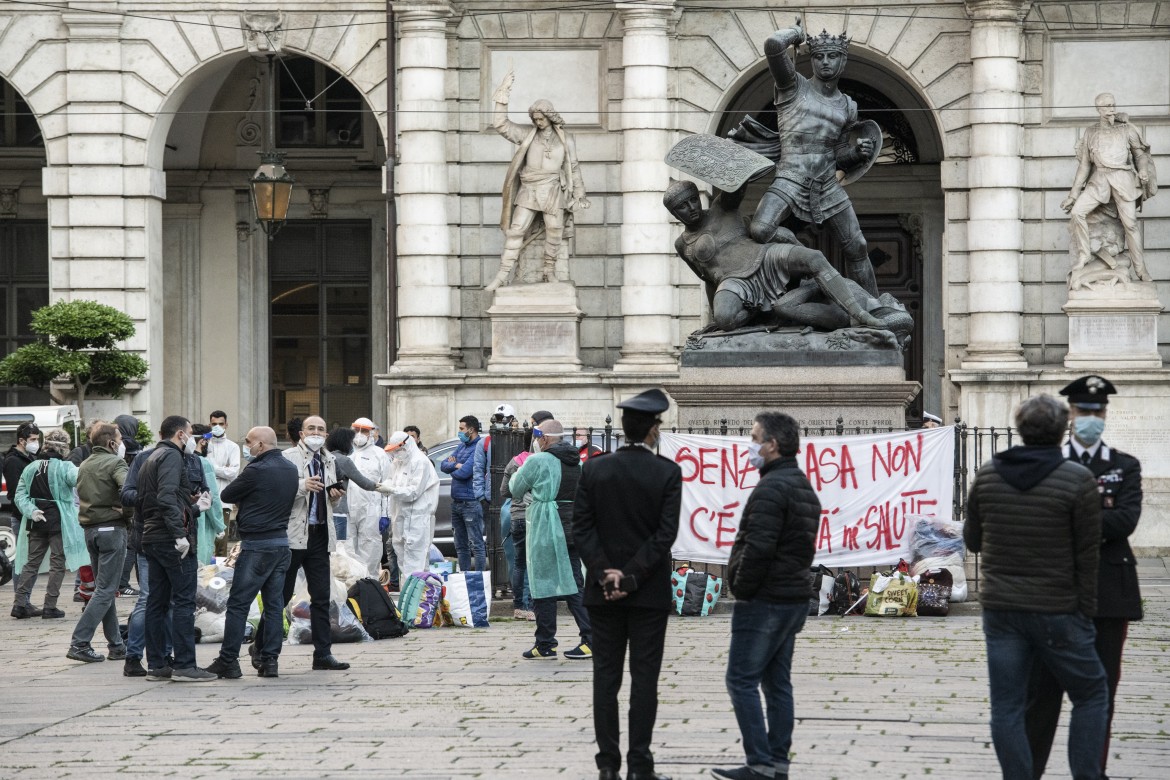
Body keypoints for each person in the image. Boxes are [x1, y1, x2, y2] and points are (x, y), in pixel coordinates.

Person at [964, 394, 1108, 780]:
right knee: (1091, 694)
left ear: (1019, 429)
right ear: (1064, 430)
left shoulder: (988, 474)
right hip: (1058, 608)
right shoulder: (1078, 480)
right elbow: (1087, 555)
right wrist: (1087, 612)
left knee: (1007, 706)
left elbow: (973, 540)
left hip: (1001, 609)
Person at [1027, 376, 1144, 779]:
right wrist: (1094, 519)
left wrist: (1071, 519)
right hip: (1055, 591)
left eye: (1097, 411)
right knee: (1042, 693)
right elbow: (1042, 520)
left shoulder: (1124, 465)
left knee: (1100, 694)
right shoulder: (1051, 463)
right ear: (1070, 416)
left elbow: (1125, 521)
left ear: (1105, 415)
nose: (1091, 418)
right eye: (1083, 411)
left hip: (1109, 591)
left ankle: (1092, 771)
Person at [573, 389, 682, 780]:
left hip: (602, 593)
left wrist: (605, 573)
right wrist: (632, 576)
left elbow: (582, 529)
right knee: (644, 679)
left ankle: (607, 766)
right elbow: (665, 534)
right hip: (648, 593)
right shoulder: (668, 472)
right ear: (653, 429)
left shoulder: (594, 470)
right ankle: (640, 765)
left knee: (605, 679)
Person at [729, 21, 879, 297]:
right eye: (819, 56)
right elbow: (773, 46)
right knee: (760, 229)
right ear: (811, 60)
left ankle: (876, 311)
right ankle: (805, 256)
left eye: (832, 56)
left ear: (843, 61)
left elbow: (838, 155)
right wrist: (796, 34)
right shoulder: (792, 86)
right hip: (790, 176)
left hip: (826, 183)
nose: (825, 62)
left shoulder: (848, 106)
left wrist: (857, 153)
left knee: (857, 246)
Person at [711, 412, 819, 780]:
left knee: (740, 679)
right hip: (792, 597)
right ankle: (777, 763)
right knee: (777, 683)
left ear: (772, 445)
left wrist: (740, 584)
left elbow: (759, 547)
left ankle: (759, 762)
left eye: (755, 437)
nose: (750, 444)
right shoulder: (801, 484)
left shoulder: (773, 488)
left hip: (766, 599)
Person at [663, 180, 884, 332]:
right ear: (674, 213)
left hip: (766, 257)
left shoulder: (722, 207)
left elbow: (738, 183)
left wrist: (734, 154)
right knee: (726, 319)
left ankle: (860, 314)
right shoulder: (682, 245)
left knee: (814, 258)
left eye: (693, 200)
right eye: (682, 206)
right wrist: (715, 317)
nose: (691, 207)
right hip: (734, 283)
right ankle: (762, 310)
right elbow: (709, 280)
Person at [257, 414, 349, 671]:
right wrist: (302, 485)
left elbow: (330, 502)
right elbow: (277, 493)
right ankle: (261, 646)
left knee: (321, 597)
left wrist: (334, 496)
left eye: (321, 429)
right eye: (311, 428)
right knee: (280, 596)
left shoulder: (328, 460)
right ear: (301, 433)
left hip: (320, 535)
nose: (316, 433)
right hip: (293, 535)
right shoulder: (287, 459)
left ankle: (322, 654)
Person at [204, 426, 298, 679]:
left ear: (261, 445)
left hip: (257, 545)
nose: (246, 446)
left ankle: (228, 661)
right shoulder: (291, 468)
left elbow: (227, 494)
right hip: (281, 544)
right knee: (274, 605)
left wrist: (246, 502)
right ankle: (270, 661)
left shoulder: (256, 470)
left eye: (249, 442)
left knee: (238, 605)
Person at [486, 68, 590, 291]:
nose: (538, 121)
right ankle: (502, 276)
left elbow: (573, 166)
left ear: (550, 116)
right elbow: (501, 125)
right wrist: (502, 95)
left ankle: (549, 271)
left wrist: (580, 193)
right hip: (529, 188)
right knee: (516, 230)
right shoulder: (526, 134)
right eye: (535, 118)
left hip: (553, 189)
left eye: (541, 118)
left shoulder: (566, 140)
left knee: (555, 230)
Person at [137, 416, 216, 681]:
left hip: (153, 537)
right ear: (181, 434)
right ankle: (184, 665)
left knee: (156, 602)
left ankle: (158, 665)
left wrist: (193, 508)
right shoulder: (171, 457)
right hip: (171, 541)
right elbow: (165, 497)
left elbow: (157, 500)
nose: (194, 439)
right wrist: (180, 534)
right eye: (192, 434)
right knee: (183, 601)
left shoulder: (151, 458)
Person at [509, 419, 592, 661]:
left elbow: (515, 488)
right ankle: (589, 637)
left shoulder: (538, 460)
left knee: (542, 582)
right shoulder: (578, 462)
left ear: (543, 439)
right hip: (572, 525)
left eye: (537, 437)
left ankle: (545, 642)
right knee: (575, 580)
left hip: (546, 525)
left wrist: (519, 471)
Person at [1063, 94, 1156, 283]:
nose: (1111, 109)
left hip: (1123, 179)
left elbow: (1140, 155)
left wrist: (1144, 170)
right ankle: (1084, 255)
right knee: (1077, 213)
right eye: (1106, 106)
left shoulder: (1126, 129)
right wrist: (1073, 195)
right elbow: (1084, 166)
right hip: (1100, 180)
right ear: (1098, 109)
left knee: (1130, 224)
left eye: (1113, 105)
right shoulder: (1090, 132)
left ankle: (1141, 270)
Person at [66, 421, 130, 664]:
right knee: (105, 590)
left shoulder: (84, 464)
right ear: (111, 443)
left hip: (91, 530)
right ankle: (79, 642)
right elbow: (128, 491)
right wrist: (127, 512)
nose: (122, 444)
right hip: (112, 529)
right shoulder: (115, 462)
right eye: (120, 439)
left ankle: (116, 645)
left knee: (105, 588)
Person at [11, 430, 86, 619]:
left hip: (36, 520)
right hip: (60, 521)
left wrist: (31, 511)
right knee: (57, 563)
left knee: (31, 562)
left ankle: (19, 604)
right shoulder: (65, 466)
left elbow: (20, 495)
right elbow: (79, 481)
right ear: (64, 447)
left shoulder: (31, 467)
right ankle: (50, 606)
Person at [120, 437, 169, 677]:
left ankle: (165, 655)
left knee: (173, 600)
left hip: (178, 541)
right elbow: (126, 494)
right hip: (148, 537)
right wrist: (152, 496)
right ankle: (133, 656)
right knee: (148, 598)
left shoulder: (191, 460)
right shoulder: (143, 458)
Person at [382, 431, 440, 579]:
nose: (396, 453)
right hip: (400, 516)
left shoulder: (420, 462)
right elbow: (390, 479)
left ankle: (414, 598)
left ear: (406, 445)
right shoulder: (398, 462)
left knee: (415, 560)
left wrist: (391, 489)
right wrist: (383, 486)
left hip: (417, 518)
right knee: (403, 557)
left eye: (398, 450)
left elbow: (413, 492)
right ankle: (412, 596)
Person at [347, 416, 392, 578]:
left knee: (371, 547)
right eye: (356, 430)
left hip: (371, 510)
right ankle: (351, 585)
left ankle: (369, 582)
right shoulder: (347, 452)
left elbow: (387, 486)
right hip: (348, 510)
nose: (359, 434)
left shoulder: (380, 455)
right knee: (348, 547)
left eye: (364, 431)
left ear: (372, 433)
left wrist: (385, 513)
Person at [441, 415, 487, 571]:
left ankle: (479, 579)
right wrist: (456, 465)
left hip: (471, 502)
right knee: (460, 545)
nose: (459, 432)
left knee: (477, 544)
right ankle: (465, 577)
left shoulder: (478, 447)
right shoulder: (462, 446)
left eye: (461, 429)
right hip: (457, 503)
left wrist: (453, 466)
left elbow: (464, 473)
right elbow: (443, 465)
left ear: (471, 430)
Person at [323, 427, 382, 543]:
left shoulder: (325, 457)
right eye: (351, 442)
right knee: (338, 551)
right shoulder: (344, 461)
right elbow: (364, 483)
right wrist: (382, 487)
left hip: (322, 512)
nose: (352, 445)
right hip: (338, 512)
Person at [4, 422, 41, 599]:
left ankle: (24, 599)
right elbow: (15, 494)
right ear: (21, 440)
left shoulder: (32, 457)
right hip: (22, 517)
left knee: (30, 562)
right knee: (22, 562)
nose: (36, 443)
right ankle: (21, 600)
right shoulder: (13, 461)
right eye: (33, 439)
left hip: (32, 516)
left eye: (37, 439)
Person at [501, 443, 535, 621]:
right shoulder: (541, 461)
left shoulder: (514, 462)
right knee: (532, 563)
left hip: (516, 516)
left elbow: (504, 490)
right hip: (534, 516)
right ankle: (530, 606)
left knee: (519, 563)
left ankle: (518, 606)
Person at [113, 414, 143, 596]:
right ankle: (123, 584)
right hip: (130, 501)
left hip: (117, 500)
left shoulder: (115, 444)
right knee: (133, 545)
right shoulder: (135, 448)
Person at [206, 410, 241, 555]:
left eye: (220, 424)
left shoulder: (232, 446)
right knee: (206, 541)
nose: (217, 427)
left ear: (226, 425)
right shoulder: (204, 442)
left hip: (223, 500)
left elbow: (233, 473)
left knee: (221, 543)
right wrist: (223, 469)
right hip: (205, 499)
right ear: (209, 424)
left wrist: (211, 468)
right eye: (214, 424)